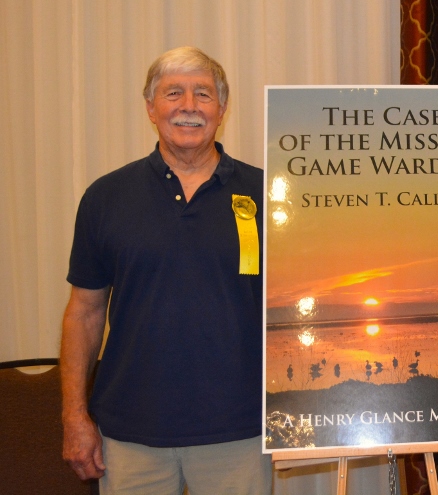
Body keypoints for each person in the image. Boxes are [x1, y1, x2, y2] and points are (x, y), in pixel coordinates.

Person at [60, 46, 271, 494]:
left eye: (203, 94)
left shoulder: (268, 194)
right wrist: (74, 415)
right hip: (131, 434)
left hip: (240, 432)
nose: (189, 106)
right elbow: (84, 312)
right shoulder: (106, 197)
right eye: (173, 93)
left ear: (223, 108)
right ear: (151, 108)